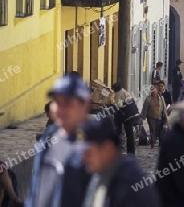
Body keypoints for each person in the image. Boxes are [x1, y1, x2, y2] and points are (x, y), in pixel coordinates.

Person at [26, 73, 92, 207]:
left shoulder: (94, 139)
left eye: (67, 103)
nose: (60, 109)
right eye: (57, 101)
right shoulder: (50, 136)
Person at [77, 118, 161, 207]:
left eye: (88, 153)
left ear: (108, 149)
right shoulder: (98, 177)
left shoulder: (132, 188)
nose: (83, 159)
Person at [111, 82, 141, 154]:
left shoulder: (119, 94)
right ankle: (130, 151)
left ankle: (123, 149)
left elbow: (118, 106)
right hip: (135, 114)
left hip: (128, 117)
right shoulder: (125, 92)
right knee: (130, 135)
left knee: (127, 134)